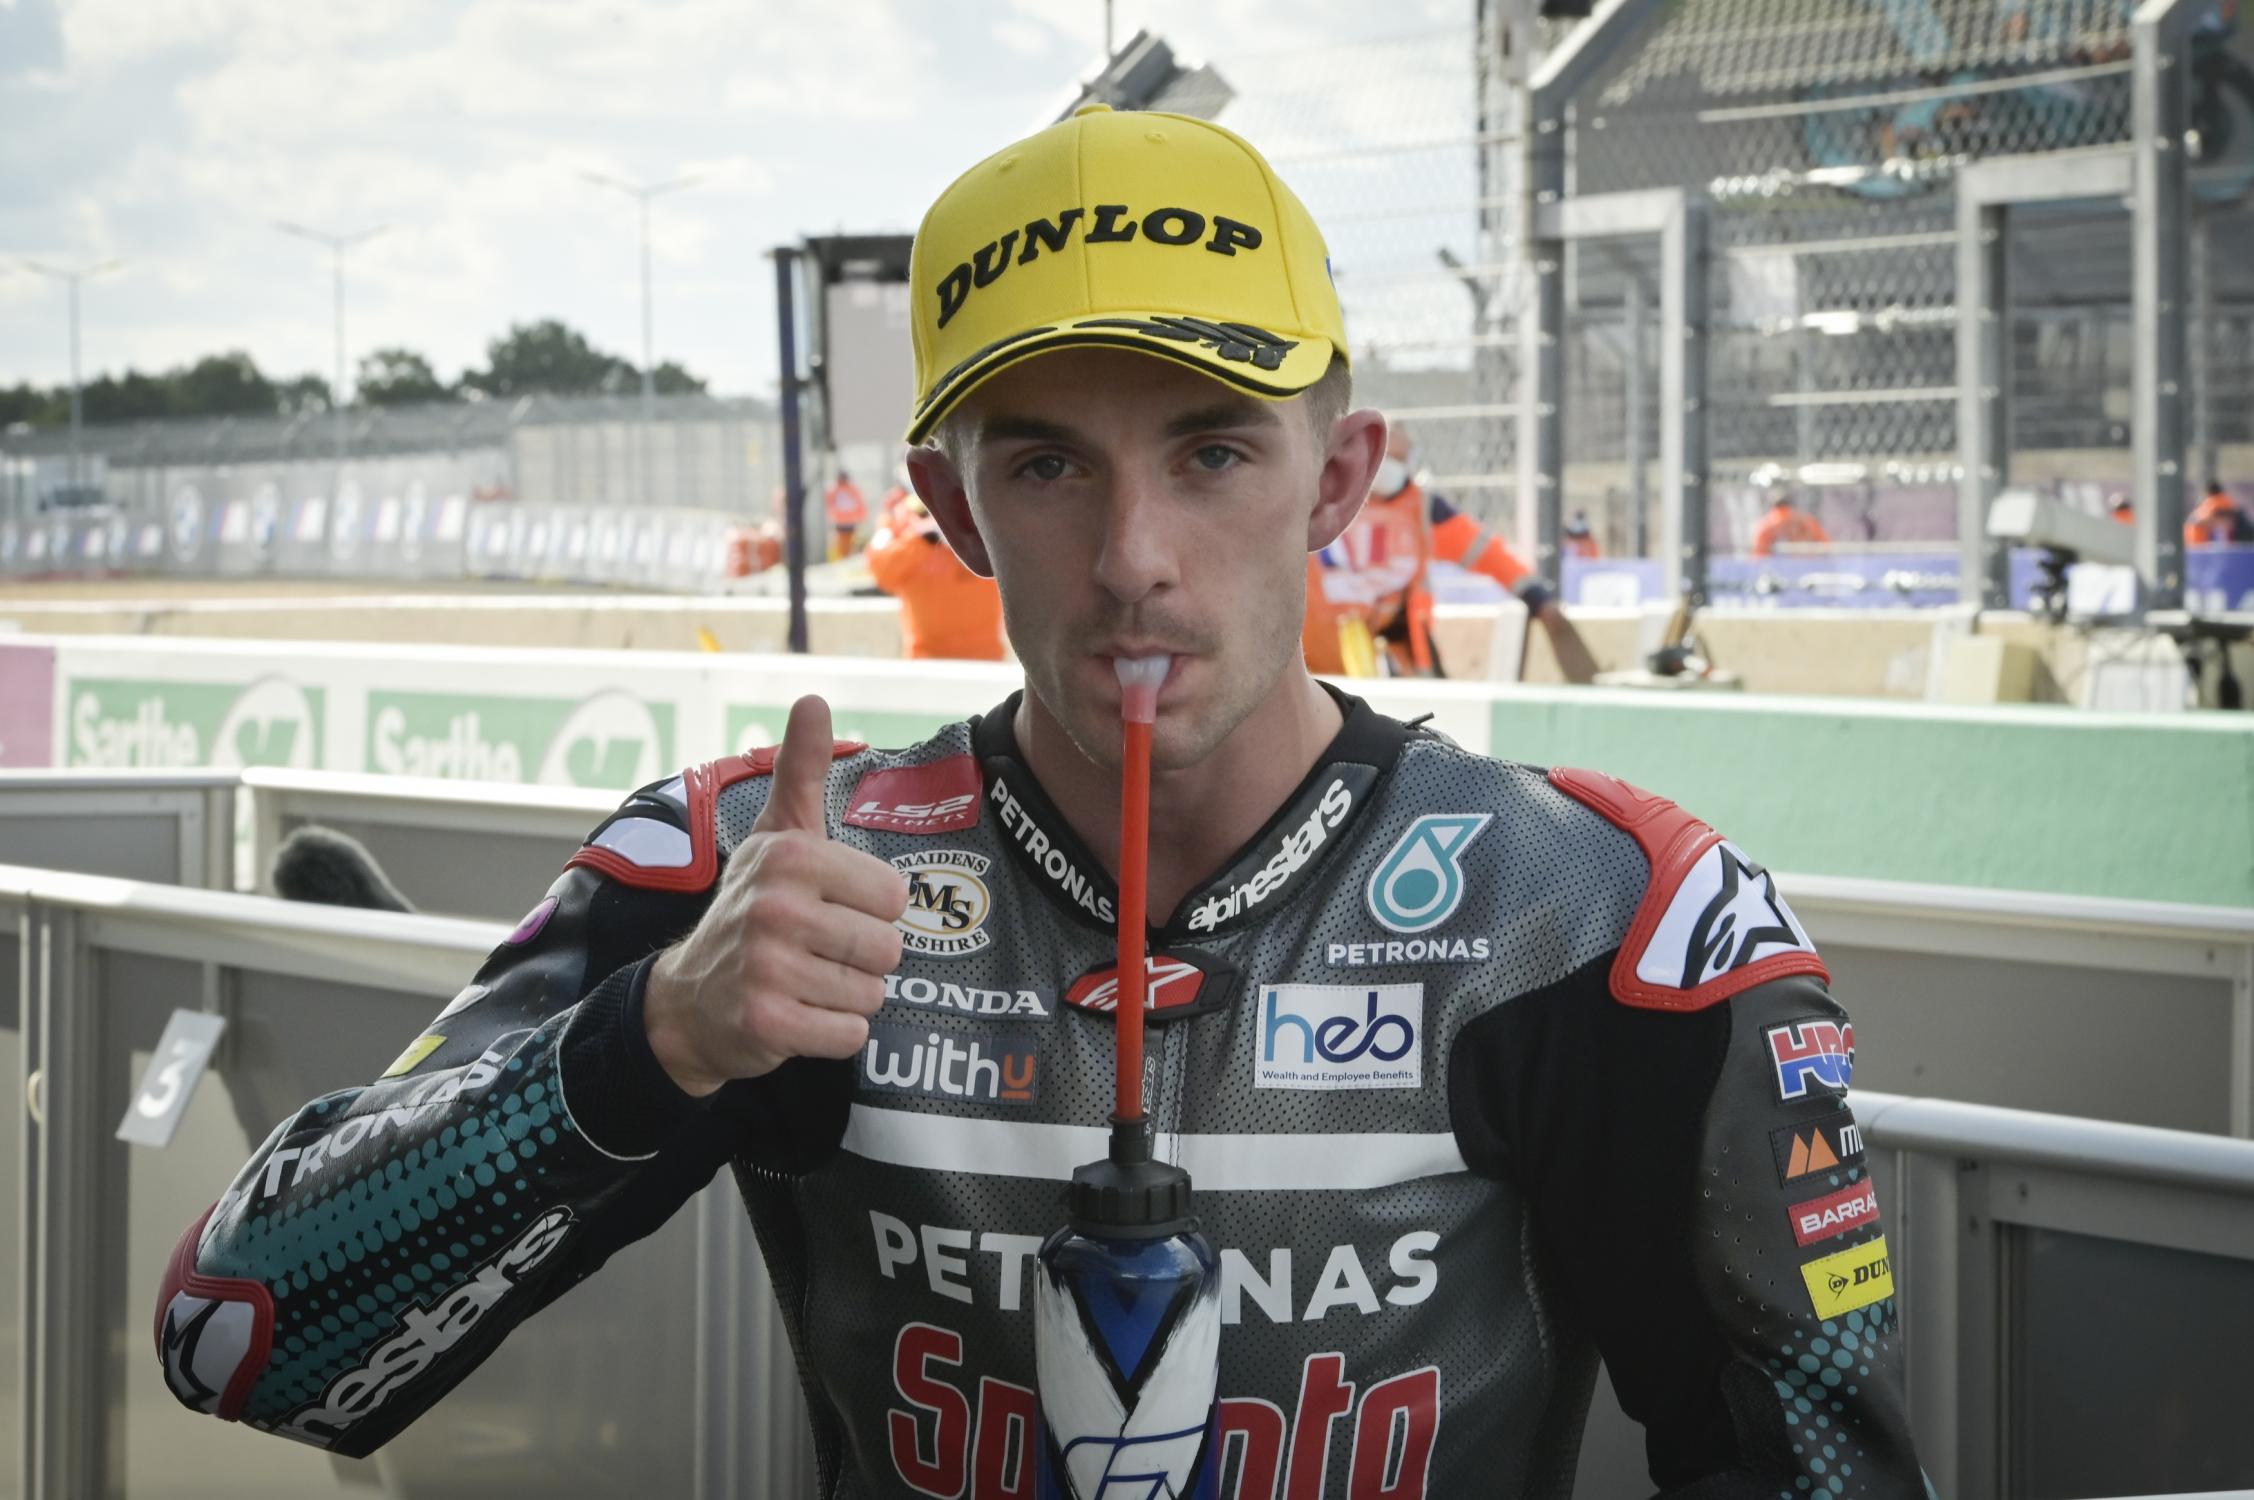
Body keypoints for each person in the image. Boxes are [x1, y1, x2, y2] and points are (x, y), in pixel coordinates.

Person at [157, 104, 1925, 1496]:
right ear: (948, 506)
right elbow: (240, 1334)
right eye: (1047, 464)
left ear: (1339, 478)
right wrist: (654, 1039)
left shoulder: (1602, 917)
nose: (1133, 558)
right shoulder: (761, 872)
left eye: (1210, 450)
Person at [1302, 421, 1599, 680]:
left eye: (1398, 458)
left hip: (1388, 656)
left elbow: (1488, 554)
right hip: (1311, 658)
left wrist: (1539, 599)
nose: (1388, 466)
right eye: (1384, 456)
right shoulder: (1320, 495)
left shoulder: (1424, 509)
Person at [863, 491, 1005, 660]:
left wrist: (966, 538)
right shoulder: (906, 533)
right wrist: (922, 538)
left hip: (984, 661)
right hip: (925, 661)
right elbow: (881, 572)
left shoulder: (986, 530)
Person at [1751, 490, 1831, 557]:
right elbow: (1825, 545)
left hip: (1778, 565)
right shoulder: (1805, 520)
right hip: (1807, 563)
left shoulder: (1767, 524)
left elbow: (1758, 554)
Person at [2186, 479, 2254, 545]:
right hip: (2241, 536)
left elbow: (2220, 518)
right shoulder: (2224, 501)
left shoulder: (2216, 502)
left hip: (2241, 537)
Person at [825, 466, 869, 561]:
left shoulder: (851, 489)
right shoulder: (834, 490)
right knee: (841, 543)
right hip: (840, 522)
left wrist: (862, 517)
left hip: (850, 521)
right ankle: (843, 558)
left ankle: (847, 557)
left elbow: (860, 504)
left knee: (850, 543)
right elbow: (830, 504)